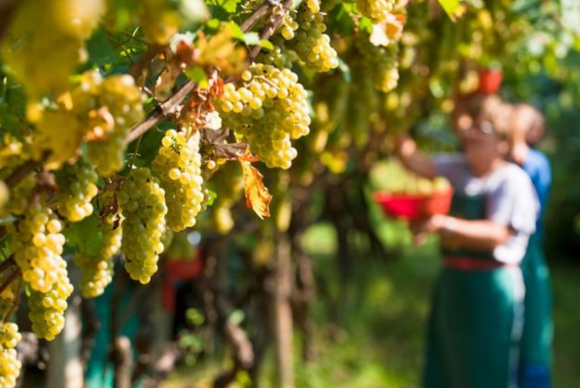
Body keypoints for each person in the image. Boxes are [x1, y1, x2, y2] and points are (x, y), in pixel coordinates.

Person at [395, 95, 539, 388]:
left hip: (491, 289)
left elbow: (496, 235)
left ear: (502, 141)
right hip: (453, 283)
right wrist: (393, 123)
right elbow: (415, 162)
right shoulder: (459, 168)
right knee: (447, 365)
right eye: (471, 126)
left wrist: (444, 224)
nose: (470, 134)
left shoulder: (511, 180)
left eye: (481, 129)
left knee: (486, 369)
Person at [509, 103, 553, 388]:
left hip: (527, 257)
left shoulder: (536, 161)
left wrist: (511, 127)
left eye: (521, 119)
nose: (513, 118)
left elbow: (517, 154)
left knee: (532, 336)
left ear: (535, 132)